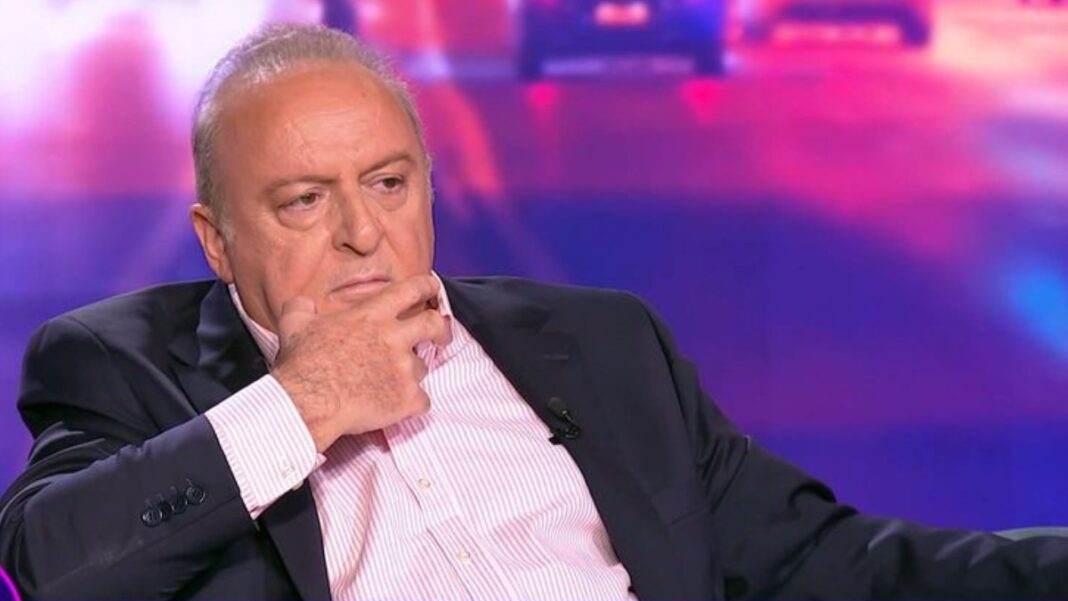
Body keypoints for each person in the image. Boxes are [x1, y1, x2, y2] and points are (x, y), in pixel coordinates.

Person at [0, 23, 1065, 601]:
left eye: (388, 183)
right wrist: (306, 400)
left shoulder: (603, 344)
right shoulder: (120, 367)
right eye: (305, 202)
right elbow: (55, 569)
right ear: (217, 240)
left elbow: (821, 561)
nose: (363, 233)